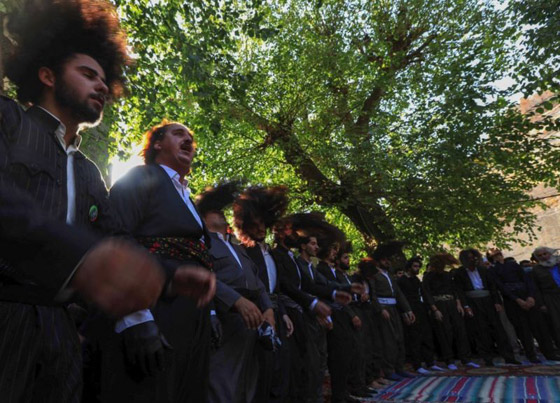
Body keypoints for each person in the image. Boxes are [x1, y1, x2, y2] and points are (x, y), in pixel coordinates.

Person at [0, 1, 184, 400]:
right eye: (87, 74)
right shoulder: (8, 121)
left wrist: (169, 275)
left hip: (64, 333)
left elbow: (113, 239)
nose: (102, 86)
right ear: (47, 75)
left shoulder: (89, 172)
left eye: (104, 79)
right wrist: (83, 259)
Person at [101, 121, 217, 402]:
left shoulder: (187, 198)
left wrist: (211, 312)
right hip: (155, 308)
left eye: (191, 137)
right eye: (178, 134)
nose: (188, 140)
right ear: (157, 144)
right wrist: (136, 317)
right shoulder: (139, 178)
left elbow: (200, 257)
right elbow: (116, 240)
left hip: (194, 319)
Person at [196, 182, 275, 403]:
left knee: (247, 385)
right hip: (226, 318)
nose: (222, 214)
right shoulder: (201, 244)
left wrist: (268, 308)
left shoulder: (238, 248)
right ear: (203, 217)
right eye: (215, 210)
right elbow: (205, 276)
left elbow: (258, 282)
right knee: (223, 384)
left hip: (252, 322)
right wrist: (236, 300)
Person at [232, 186, 293, 403]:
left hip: (276, 314)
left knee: (281, 366)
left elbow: (277, 289)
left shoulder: (272, 253)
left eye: (262, 223)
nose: (260, 228)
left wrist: (283, 313)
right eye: (254, 224)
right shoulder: (243, 252)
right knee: (261, 368)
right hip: (258, 316)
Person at [487, 248, 559, 362]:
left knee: (540, 327)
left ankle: (549, 353)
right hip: (512, 301)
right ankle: (531, 355)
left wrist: (530, 296)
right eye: (494, 255)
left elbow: (527, 280)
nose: (498, 256)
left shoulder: (513, 265)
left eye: (498, 253)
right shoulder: (492, 270)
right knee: (523, 330)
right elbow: (501, 287)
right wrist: (517, 300)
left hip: (526, 295)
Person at [454, 249, 519, 366]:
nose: (472, 260)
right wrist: (466, 306)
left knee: (498, 329)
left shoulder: (483, 270)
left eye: (473, 257)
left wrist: (497, 302)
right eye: (469, 258)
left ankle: (509, 356)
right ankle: (487, 358)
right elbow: (460, 291)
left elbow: (492, 287)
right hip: (473, 302)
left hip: (488, 301)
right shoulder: (459, 273)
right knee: (480, 331)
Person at [369, 243, 416, 381]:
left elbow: (398, 293)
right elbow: (373, 294)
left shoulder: (389, 274)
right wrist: (380, 309)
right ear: (379, 260)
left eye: (388, 259)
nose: (387, 262)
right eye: (384, 259)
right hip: (384, 309)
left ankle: (399, 367)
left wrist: (407, 309)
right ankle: (388, 370)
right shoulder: (374, 274)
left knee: (399, 338)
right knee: (388, 340)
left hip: (394, 309)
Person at [422, 253, 477, 370]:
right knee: (444, 332)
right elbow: (426, 294)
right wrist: (435, 309)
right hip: (439, 304)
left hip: (452, 304)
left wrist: (458, 304)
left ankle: (465, 358)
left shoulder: (447, 275)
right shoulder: (428, 276)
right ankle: (449, 360)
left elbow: (454, 290)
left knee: (460, 330)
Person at [397, 257, 443, 374]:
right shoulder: (401, 281)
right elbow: (400, 298)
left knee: (426, 336)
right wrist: (405, 312)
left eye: (418, 266)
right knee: (414, 338)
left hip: (420, 309)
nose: (417, 269)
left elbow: (423, 294)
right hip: (410, 310)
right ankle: (417, 365)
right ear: (409, 267)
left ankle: (430, 362)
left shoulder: (416, 280)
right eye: (415, 266)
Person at [531, 246, 560, 349]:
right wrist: (542, 304)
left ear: (549, 253)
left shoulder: (558, 263)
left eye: (545, 254)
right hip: (550, 297)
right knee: (557, 323)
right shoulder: (536, 270)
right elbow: (536, 288)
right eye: (540, 256)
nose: (543, 257)